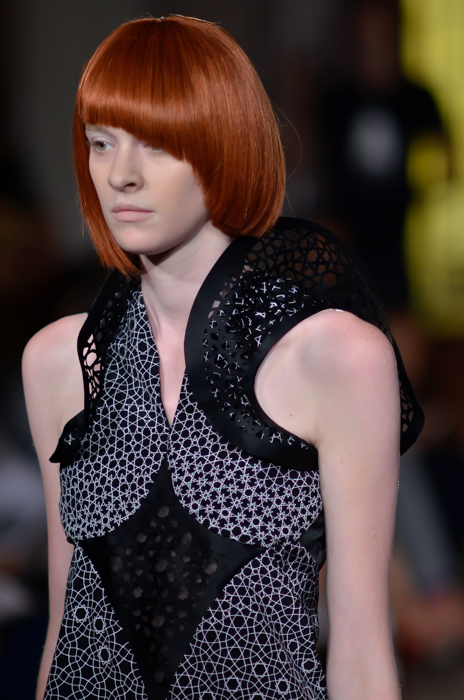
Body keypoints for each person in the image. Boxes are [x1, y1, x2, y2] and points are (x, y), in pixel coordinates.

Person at [22, 15, 423, 700]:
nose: (120, 175)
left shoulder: (336, 358)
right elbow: (66, 632)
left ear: (223, 147)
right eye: (101, 142)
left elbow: (361, 652)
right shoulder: (60, 360)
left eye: (156, 144)